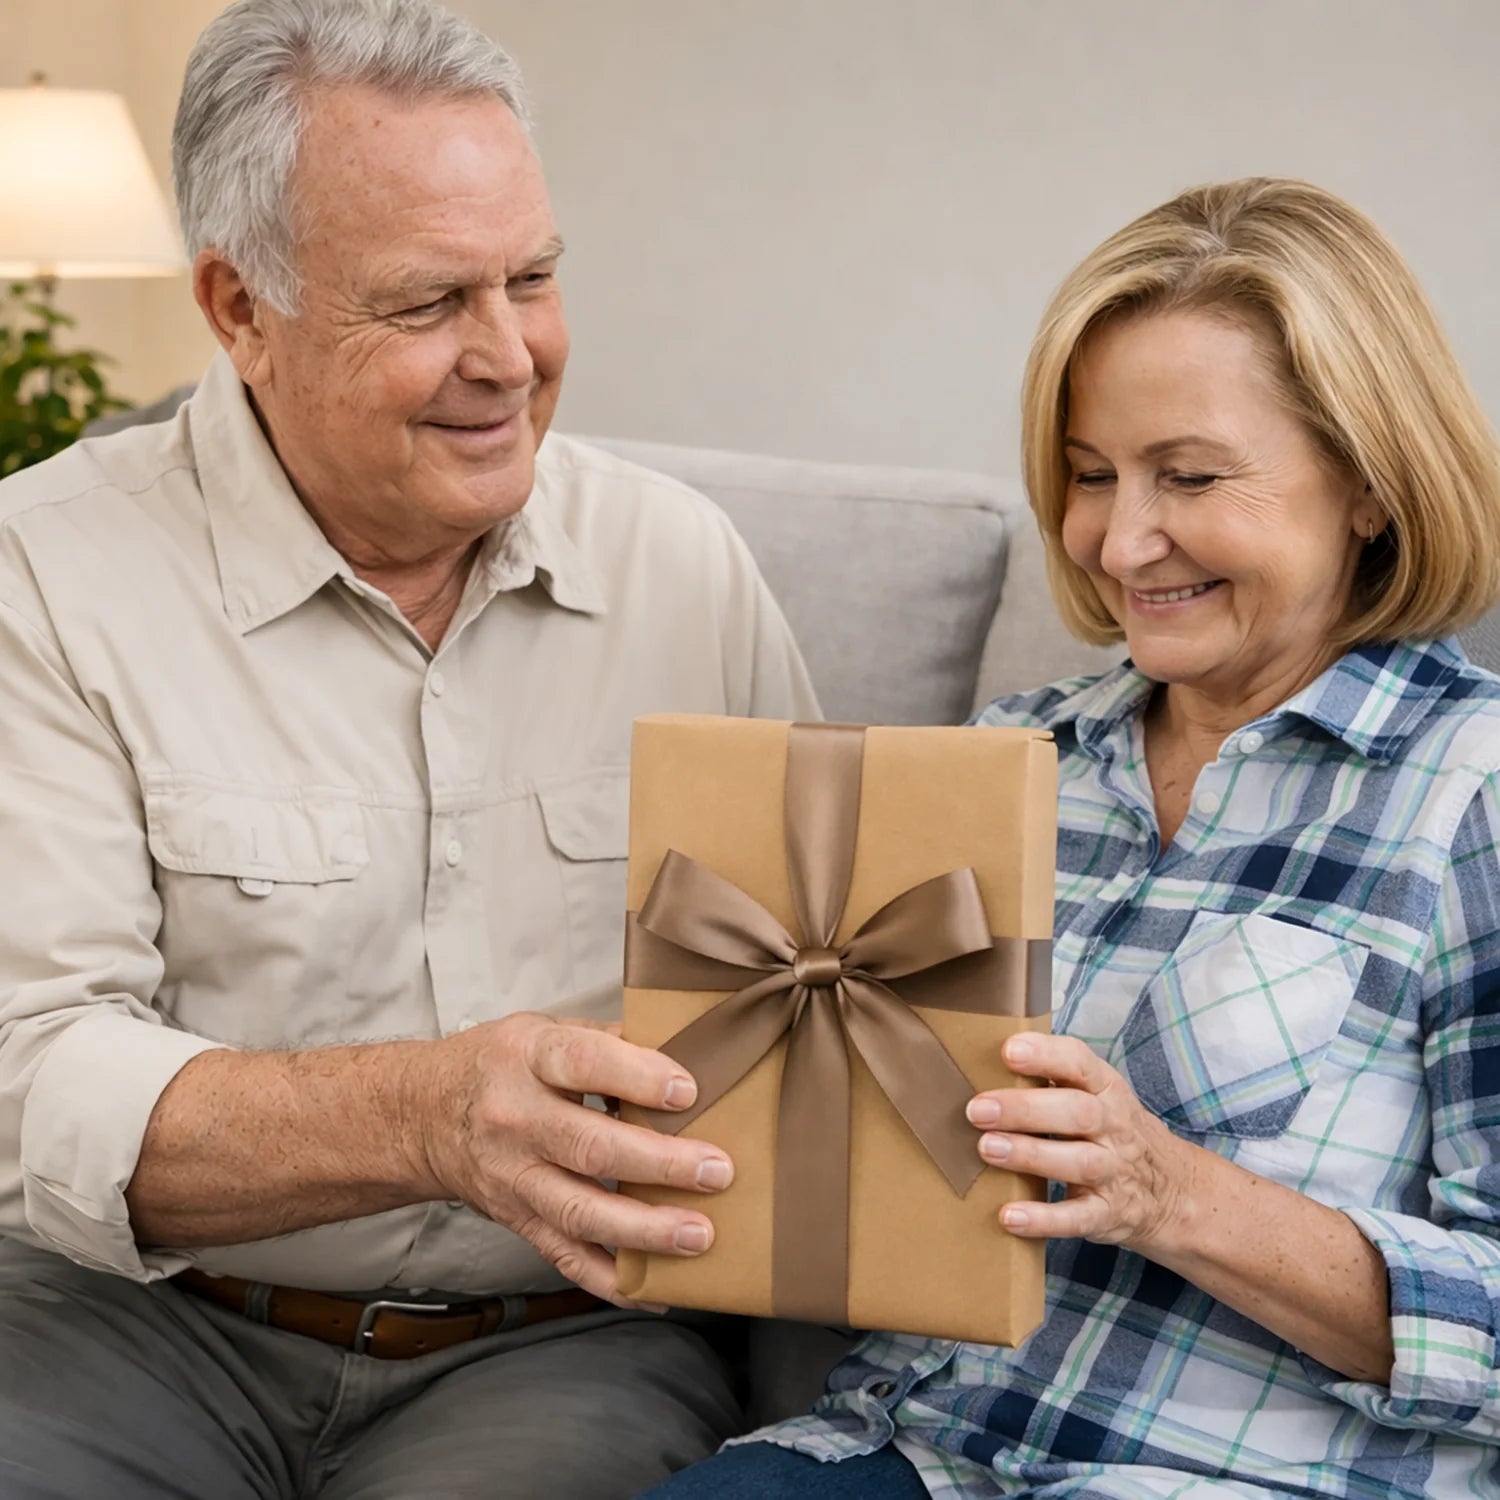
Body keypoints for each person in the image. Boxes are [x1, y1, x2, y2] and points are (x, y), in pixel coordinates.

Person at [0, 1, 822, 1496]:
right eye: (431, 302)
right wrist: (427, 1116)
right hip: (131, 1328)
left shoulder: (682, 572)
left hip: (554, 1347)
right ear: (241, 309)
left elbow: (822, 1015)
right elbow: (29, 1066)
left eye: (533, 278)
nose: (509, 357)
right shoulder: (43, 574)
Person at [643, 177, 1500, 1498]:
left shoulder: (1471, 790)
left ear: (1373, 487)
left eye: (1192, 476)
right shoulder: (1018, 758)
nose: (1120, 538)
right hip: (905, 1454)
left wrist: (1173, 1195)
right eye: (1092, 475)